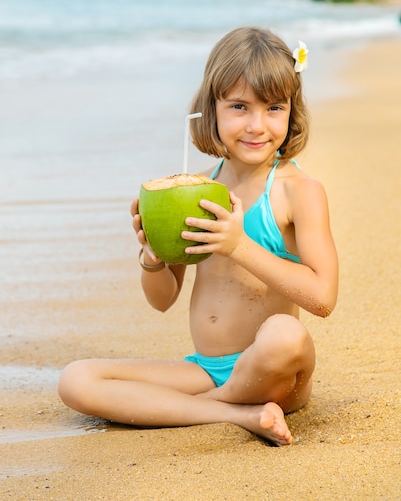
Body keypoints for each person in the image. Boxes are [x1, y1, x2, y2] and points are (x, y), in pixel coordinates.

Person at [58, 27, 338, 446]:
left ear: (292, 111)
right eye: (239, 107)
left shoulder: (297, 192)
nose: (257, 125)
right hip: (206, 367)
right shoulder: (194, 189)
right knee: (76, 379)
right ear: (212, 110)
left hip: (275, 371)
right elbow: (162, 299)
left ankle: (206, 406)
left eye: (274, 108)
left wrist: (238, 246)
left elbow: (322, 298)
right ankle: (237, 412)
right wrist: (153, 257)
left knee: (285, 333)